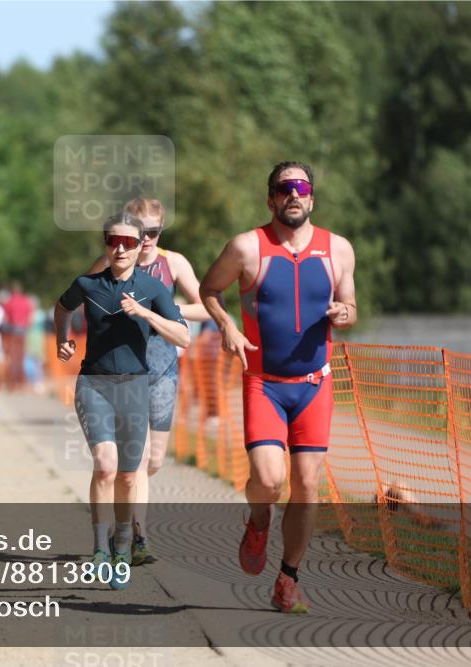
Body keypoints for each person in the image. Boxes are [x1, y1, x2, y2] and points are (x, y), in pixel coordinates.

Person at [199, 161, 357, 613]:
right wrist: (227, 325)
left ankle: (288, 578)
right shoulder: (247, 248)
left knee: (308, 486)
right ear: (270, 198)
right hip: (265, 383)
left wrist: (346, 314)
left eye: (301, 187)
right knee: (269, 482)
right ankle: (258, 518)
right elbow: (210, 289)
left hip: (314, 386)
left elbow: (350, 303)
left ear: (311, 197)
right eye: (284, 188)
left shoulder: (338, 250)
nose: (294, 194)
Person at [55, 211, 190, 589]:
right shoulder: (87, 284)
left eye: (129, 242)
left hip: (135, 387)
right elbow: (62, 307)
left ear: (140, 245)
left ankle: (123, 547)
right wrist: (60, 338)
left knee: (131, 475)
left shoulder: (153, 288)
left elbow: (183, 338)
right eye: (113, 241)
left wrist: (145, 312)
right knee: (105, 464)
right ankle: (99, 549)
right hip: (94, 384)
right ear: (105, 244)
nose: (120, 248)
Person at [82, 198, 210, 566]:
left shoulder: (174, 264)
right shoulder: (113, 259)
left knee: (153, 461)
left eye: (154, 231)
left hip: (163, 368)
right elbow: (83, 292)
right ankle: (137, 536)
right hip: (121, 372)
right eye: (141, 231)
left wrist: (164, 308)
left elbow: (205, 306)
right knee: (131, 462)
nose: (147, 239)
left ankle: (125, 521)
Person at [2, 281, 34, 391]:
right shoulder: (26, 301)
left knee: (12, 358)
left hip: (12, 332)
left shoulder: (9, 301)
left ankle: (12, 383)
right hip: (23, 331)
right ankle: (21, 382)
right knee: (21, 358)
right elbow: (30, 318)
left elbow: (5, 318)